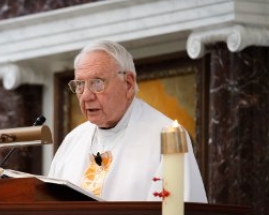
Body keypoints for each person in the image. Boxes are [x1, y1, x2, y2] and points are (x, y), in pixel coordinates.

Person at [48, 40, 207, 202]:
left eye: (97, 83)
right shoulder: (72, 142)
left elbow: (178, 208)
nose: (86, 96)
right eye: (80, 85)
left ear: (129, 84)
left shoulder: (168, 138)